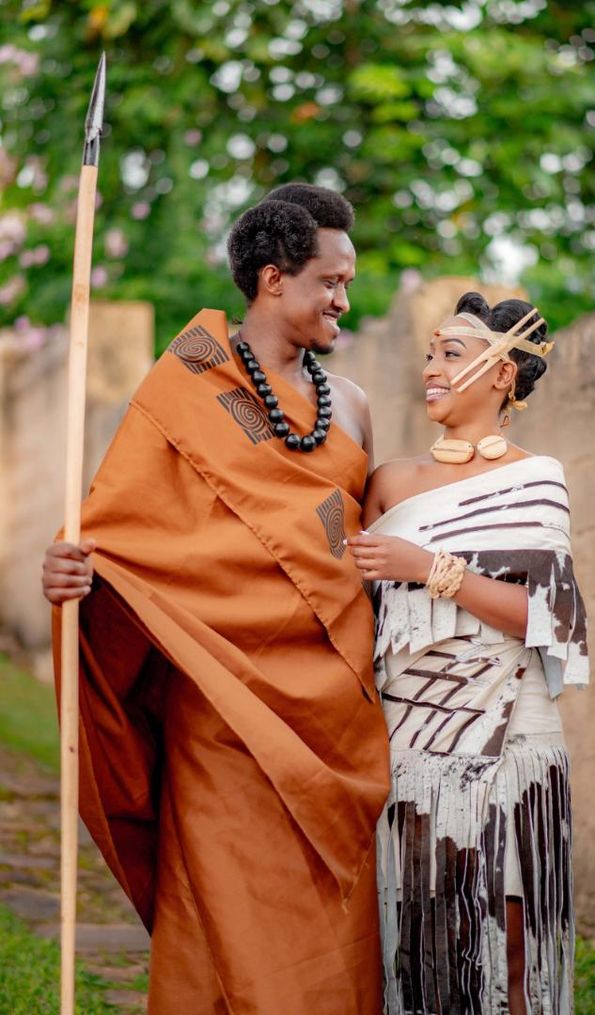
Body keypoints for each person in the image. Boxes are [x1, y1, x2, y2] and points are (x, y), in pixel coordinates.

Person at [42, 183, 390, 1014]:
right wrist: (69, 578)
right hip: (223, 711)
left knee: (332, 928)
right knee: (218, 919)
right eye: (329, 281)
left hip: (335, 711)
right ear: (274, 280)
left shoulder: (354, 408)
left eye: (348, 281)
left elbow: (353, 550)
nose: (346, 298)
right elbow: (126, 537)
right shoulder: (189, 383)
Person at [347, 293, 589, 1015]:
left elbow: (547, 616)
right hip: (414, 741)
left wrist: (429, 568)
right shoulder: (388, 482)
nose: (432, 368)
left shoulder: (539, 478)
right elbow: (350, 611)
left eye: (452, 353)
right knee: (426, 940)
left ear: (503, 374)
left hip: (516, 734)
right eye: (429, 353)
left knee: (513, 944)